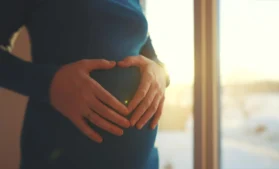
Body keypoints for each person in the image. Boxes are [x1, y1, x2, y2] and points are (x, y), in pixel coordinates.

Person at [0, 0, 170, 169]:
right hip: (60, 154)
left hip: (143, 162)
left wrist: (160, 72)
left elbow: (145, 47)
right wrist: (49, 83)